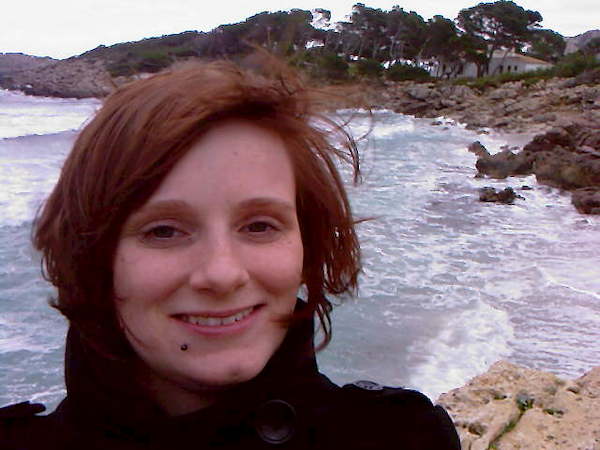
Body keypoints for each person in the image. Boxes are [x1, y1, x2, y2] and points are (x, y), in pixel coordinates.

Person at [0, 59, 461, 449]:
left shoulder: (403, 438)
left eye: (259, 226)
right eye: (164, 231)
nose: (222, 274)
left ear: (307, 245)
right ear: (93, 257)